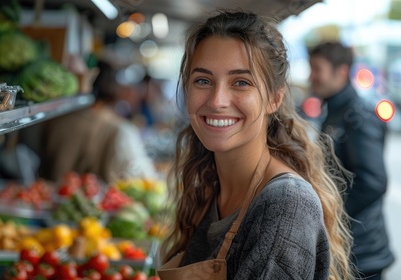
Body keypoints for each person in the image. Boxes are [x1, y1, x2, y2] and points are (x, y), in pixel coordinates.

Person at [158, 10, 355, 280]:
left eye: (241, 82)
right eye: (203, 80)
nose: (217, 101)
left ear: (274, 99)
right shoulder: (209, 186)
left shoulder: (286, 205)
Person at [309, 42, 395, 280]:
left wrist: (331, 216)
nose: (311, 76)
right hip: (347, 248)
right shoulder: (336, 112)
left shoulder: (358, 116)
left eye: (317, 69)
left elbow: (373, 182)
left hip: (361, 254)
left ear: (342, 72)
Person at [40, 60, 158, 184]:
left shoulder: (55, 120)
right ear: (114, 87)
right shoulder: (121, 129)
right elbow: (144, 178)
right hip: (95, 201)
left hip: (48, 197)